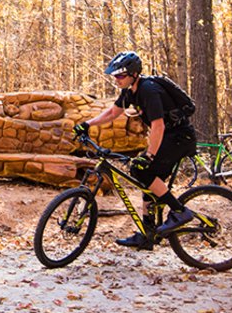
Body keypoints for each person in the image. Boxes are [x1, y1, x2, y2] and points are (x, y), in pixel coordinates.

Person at [74, 51, 197, 249]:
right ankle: (148, 234)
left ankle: (179, 211)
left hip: (179, 138)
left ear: (133, 74)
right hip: (168, 138)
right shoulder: (131, 91)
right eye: (115, 76)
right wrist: (87, 124)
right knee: (146, 179)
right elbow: (114, 112)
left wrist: (149, 156)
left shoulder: (148, 90)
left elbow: (158, 126)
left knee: (141, 170)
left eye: (120, 76)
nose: (116, 80)